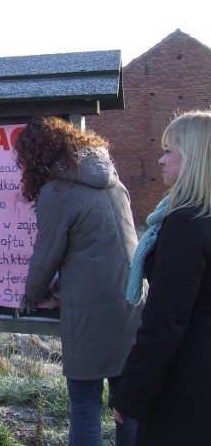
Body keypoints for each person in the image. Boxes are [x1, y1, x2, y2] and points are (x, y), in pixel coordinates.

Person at [15, 116, 143, 446]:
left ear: (35, 155)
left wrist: (32, 296)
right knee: (128, 404)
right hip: (134, 303)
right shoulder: (111, 179)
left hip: (91, 312)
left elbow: (45, 256)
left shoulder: (58, 191)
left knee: (85, 405)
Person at [110, 110, 211, 445]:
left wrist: (130, 393)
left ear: (193, 157)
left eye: (169, 151)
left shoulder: (186, 223)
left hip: (188, 387)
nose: (160, 159)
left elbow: (165, 319)